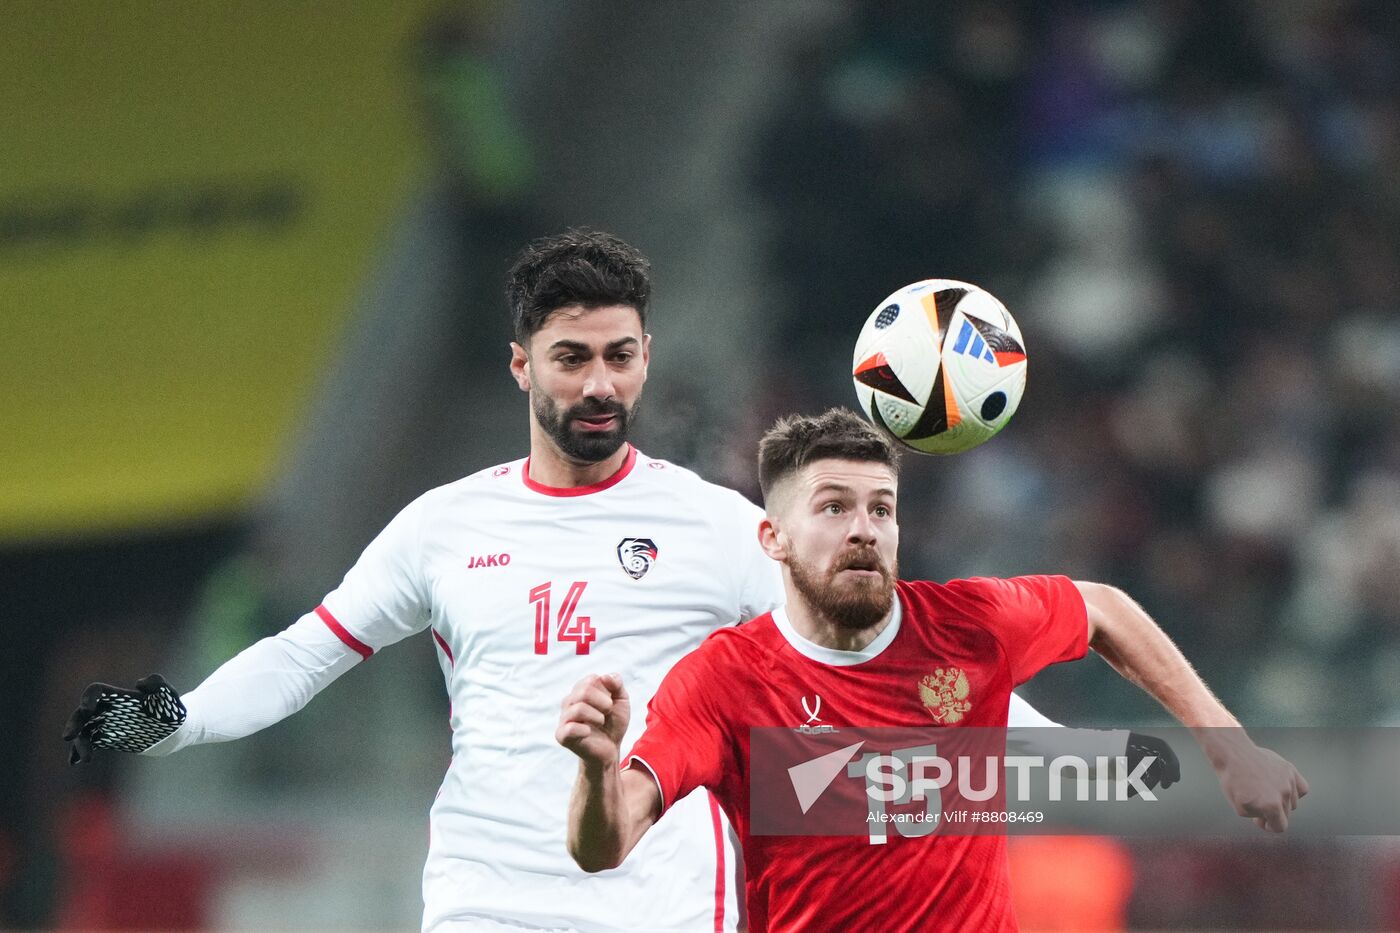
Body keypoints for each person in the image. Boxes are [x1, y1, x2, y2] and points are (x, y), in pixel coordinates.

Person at [63, 230, 1157, 932]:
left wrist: (1074, 762)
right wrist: (172, 718)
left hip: (664, 907)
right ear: (520, 365)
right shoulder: (444, 527)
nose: (601, 382)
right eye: (574, 357)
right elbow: (307, 653)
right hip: (486, 905)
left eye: (621, 356)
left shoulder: (717, 527)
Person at [557, 408, 1307, 932]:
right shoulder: (726, 677)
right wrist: (596, 767)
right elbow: (605, 843)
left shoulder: (964, 626)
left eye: (881, 508)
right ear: (774, 539)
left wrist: (1229, 746)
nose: (863, 529)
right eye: (833, 507)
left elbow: (1103, 608)